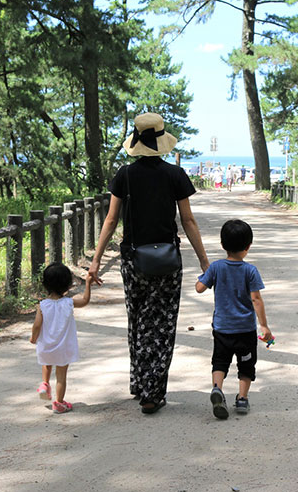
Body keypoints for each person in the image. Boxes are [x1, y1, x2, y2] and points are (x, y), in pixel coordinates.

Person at [89, 112, 210, 414]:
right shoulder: (175, 175)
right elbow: (189, 220)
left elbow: (111, 219)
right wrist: (205, 262)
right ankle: (152, 392)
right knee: (162, 325)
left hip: (132, 259)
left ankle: (139, 381)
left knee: (138, 319)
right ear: (161, 139)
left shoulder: (124, 175)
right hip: (167, 259)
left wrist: (95, 262)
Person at [195, 219, 273, 419]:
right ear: (248, 247)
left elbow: (199, 288)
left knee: (219, 361)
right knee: (246, 365)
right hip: (245, 330)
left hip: (222, 328)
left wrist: (205, 275)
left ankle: (217, 389)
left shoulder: (216, 268)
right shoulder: (250, 271)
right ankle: (242, 399)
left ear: (223, 245)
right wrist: (263, 326)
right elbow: (256, 299)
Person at [30, 262, 91, 414]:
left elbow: (37, 325)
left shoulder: (42, 305)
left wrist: (33, 338)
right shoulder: (69, 303)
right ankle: (59, 403)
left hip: (47, 346)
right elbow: (84, 301)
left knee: (47, 363)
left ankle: (44, 384)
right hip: (63, 348)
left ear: (45, 284)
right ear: (68, 285)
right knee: (61, 377)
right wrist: (88, 283)